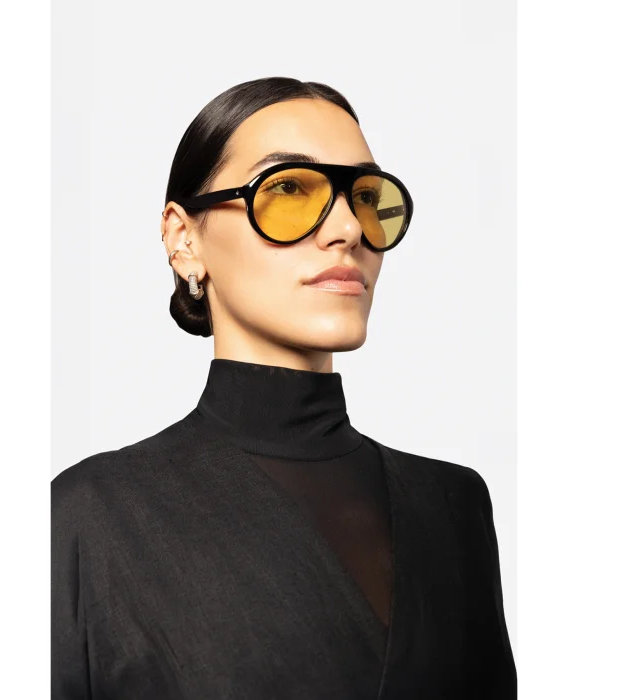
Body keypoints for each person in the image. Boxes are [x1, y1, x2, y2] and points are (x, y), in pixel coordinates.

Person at [51, 76, 517, 699]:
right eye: (289, 189)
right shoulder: (90, 516)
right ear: (184, 239)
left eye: (366, 197)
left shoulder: (454, 506)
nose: (347, 228)